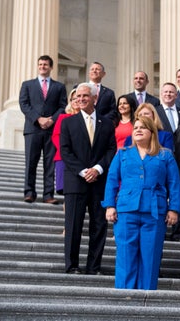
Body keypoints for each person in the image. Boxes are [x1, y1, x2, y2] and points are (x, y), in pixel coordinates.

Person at [103, 116, 180, 290]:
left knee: (150, 256)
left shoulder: (165, 155)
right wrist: (109, 205)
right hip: (126, 211)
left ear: (152, 132)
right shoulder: (122, 153)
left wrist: (174, 209)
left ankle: (147, 298)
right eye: (135, 127)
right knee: (125, 255)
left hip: (154, 212)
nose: (138, 130)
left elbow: (174, 183)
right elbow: (112, 180)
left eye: (143, 127)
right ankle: (125, 296)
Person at [60, 83, 117, 274]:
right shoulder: (68, 122)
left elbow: (111, 149)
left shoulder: (107, 123)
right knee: (73, 225)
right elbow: (65, 152)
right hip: (76, 181)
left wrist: (98, 169)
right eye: (78, 96)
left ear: (95, 98)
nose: (81, 99)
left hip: (100, 182)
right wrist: (84, 171)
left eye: (85, 96)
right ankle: (72, 265)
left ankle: (94, 267)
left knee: (99, 226)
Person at [19, 55, 67, 204]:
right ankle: (29, 192)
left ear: (51, 67)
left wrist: (52, 119)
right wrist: (38, 119)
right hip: (33, 128)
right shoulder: (27, 84)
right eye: (40, 64)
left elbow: (62, 106)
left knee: (50, 163)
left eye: (45, 65)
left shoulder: (59, 87)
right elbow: (24, 104)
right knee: (30, 162)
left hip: (51, 130)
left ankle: (48, 194)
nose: (42, 67)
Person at [52, 88, 79, 195]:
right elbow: (56, 136)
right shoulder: (63, 117)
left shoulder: (88, 119)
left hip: (81, 158)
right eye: (73, 99)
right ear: (70, 102)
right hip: (63, 157)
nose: (76, 100)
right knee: (65, 190)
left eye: (79, 97)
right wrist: (67, 151)